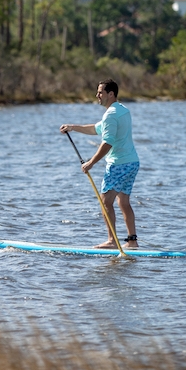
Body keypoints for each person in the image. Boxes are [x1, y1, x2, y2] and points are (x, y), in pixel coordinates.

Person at [60, 79, 140, 248]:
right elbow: (97, 128)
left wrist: (91, 163)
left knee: (105, 201)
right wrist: (73, 127)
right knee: (123, 202)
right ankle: (132, 242)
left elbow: (107, 142)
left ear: (111, 94)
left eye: (100, 92)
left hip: (118, 164)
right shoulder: (122, 110)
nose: (97, 95)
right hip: (132, 162)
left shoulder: (111, 114)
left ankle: (112, 241)